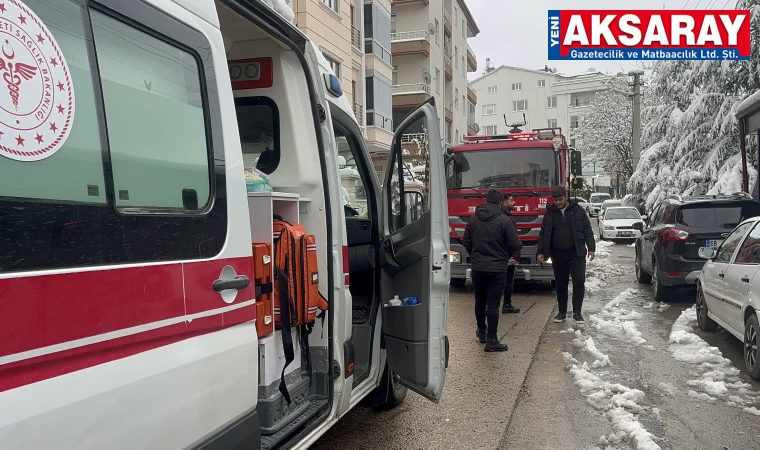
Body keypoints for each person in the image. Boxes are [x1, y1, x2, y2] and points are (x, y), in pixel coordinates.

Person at [463, 190, 523, 352]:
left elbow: (466, 241)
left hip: (478, 267)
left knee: (479, 301)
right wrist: (514, 256)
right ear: (500, 203)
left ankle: (481, 331)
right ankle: (492, 339)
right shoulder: (504, 220)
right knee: (493, 304)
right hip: (497, 268)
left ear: (486, 201)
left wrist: (475, 255)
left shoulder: (474, 218)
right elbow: (514, 243)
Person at [537, 186, 596, 324]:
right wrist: (540, 251)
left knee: (578, 281)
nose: (558, 202)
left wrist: (591, 248)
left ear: (566, 197)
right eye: (555, 200)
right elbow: (544, 233)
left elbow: (587, 230)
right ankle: (562, 312)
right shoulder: (550, 213)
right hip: (558, 255)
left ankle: (577, 312)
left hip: (576, 253)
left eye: (560, 199)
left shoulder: (578, 211)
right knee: (561, 284)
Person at [500, 193, 520, 314]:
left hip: (496, 254)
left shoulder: (496, 216)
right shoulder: (508, 219)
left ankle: (488, 306)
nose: (514, 203)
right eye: (512, 201)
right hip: (507, 255)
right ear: (505, 203)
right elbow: (513, 239)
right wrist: (516, 255)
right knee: (507, 280)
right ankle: (507, 305)